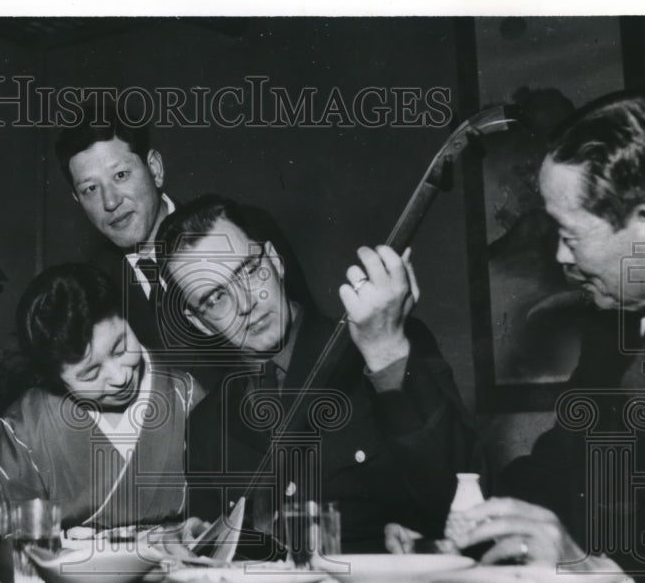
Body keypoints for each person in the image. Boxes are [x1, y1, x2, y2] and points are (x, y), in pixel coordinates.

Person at [157, 195, 475, 554]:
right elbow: (211, 561)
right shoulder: (205, 427)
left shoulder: (386, 345)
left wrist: (386, 353)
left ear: (274, 260)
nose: (246, 303)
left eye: (248, 270)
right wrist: (191, 547)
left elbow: (463, 510)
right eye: (216, 298)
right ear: (199, 322)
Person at [449, 94, 645, 583]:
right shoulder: (613, 327)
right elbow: (557, 469)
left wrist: (609, 579)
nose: (561, 256)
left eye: (571, 234)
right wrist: (475, 536)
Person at [54, 96, 313, 373]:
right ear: (77, 200)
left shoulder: (243, 228)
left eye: (121, 176)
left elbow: (311, 339)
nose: (110, 201)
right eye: (90, 189)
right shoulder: (91, 292)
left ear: (154, 168)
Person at [0, 262, 201, 530]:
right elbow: (7, 534)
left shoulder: (188, 396)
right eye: (90, 374)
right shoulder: (26, 428)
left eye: (121, 347)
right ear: (55, 381)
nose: (120, 377)